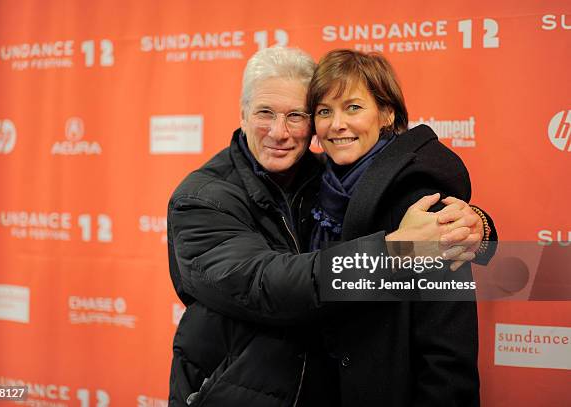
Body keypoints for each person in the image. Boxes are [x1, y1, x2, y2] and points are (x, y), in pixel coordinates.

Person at [167, 47, 495, 407]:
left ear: (387, 113)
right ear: (242, 115)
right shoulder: (202, 198)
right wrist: (394, 251)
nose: (279, 131)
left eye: (296, 115)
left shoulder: (352, 186)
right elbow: (267, 284)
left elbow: (447, 341)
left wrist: (477, 226)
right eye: (265, 113)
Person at [298, 49, 497, 406]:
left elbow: (448, 349)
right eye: (324, 111)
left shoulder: (420, 203)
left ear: (387, 113)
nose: (336, 124)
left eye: (353, 107)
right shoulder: (309, 194)